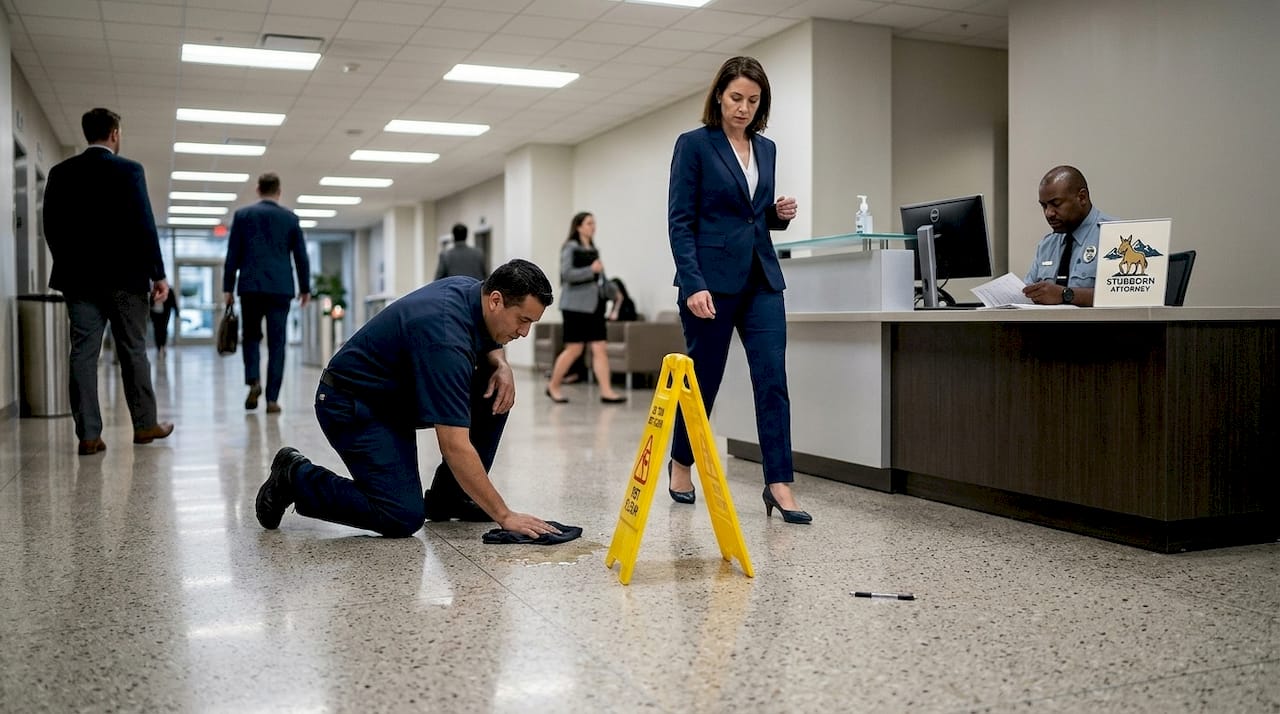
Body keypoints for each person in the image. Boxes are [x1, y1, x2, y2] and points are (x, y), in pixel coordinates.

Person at [255, 259, 563, 539]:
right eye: (522, 320)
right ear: (496, 300)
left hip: (393, 398)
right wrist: (504, 515)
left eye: (531, 323)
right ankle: (295, 476)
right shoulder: (445, 338)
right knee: (401, 515)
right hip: (350, 402)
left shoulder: (469, 291)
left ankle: (451, 498)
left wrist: (502, 364)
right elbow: (454, 445)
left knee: (495, 386)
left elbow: (486, 336)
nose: (524, 332)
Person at [666, 56, 810, 524]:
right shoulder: (694, 145)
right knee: (702, 381)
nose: (744, 108)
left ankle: (779, 483)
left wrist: (778, 215)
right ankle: (682, 462)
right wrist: (692, 283)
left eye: (753, 100)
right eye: (736, 98)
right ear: (719, 97)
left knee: (773, 381)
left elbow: (751, 215)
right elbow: (682, 221)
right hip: (709, 282)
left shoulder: (766, 149)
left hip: (762, 280)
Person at [42, 107, 174, 456]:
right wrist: (158, 274)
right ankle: (145, 425)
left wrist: (68, 263)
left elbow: (50, 226)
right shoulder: (129, 170)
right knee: (133, 351)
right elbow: (145, 224)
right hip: (126, 279)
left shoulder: (61, 172)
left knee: (83, 354)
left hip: (79, 280)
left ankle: (88, 435)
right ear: (114, 134)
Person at [222, 172, 311, 414]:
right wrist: (305, 288)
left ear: (258, 190)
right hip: (280, 289)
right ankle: (272, 399)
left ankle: (254, 381)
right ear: (279, 192)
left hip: (250, 288)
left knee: (251, 337)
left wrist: (227, 288)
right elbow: (301, 257)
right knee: (277, 343)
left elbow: (233, 255)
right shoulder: (290, 218)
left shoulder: (243, 216)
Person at [544, 212, 626, 404]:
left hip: (596, 306)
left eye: (594, 223)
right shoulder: (570, 248)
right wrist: (591, 270)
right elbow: (567, 274)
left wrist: (614, 292)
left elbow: (600, 278)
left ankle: (606, 391)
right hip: (575, 307)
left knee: (600, 347)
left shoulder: (594, 249)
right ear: (579, 226)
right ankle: (553, 386)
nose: (593, 226)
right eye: (589, 223)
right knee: (574, 349)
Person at [1022, 165, 1115, 306]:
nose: (1049, 213)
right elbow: (1026, 294)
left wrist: (1065, 295)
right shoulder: (1047, 245)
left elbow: (1124, 296)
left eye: (1056, 204)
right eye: (1044, 206)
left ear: (1081, 197)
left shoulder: (1115, 235)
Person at [150, 288, 178, 361]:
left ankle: (163, 346)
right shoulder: (154, 291)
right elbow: (150, 302)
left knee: (164, 329)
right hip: (155, 313)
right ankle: (159, 348)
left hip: (165, 313)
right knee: (157, 330)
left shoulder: (169, 290)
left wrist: (176, 312)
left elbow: (173, 301)